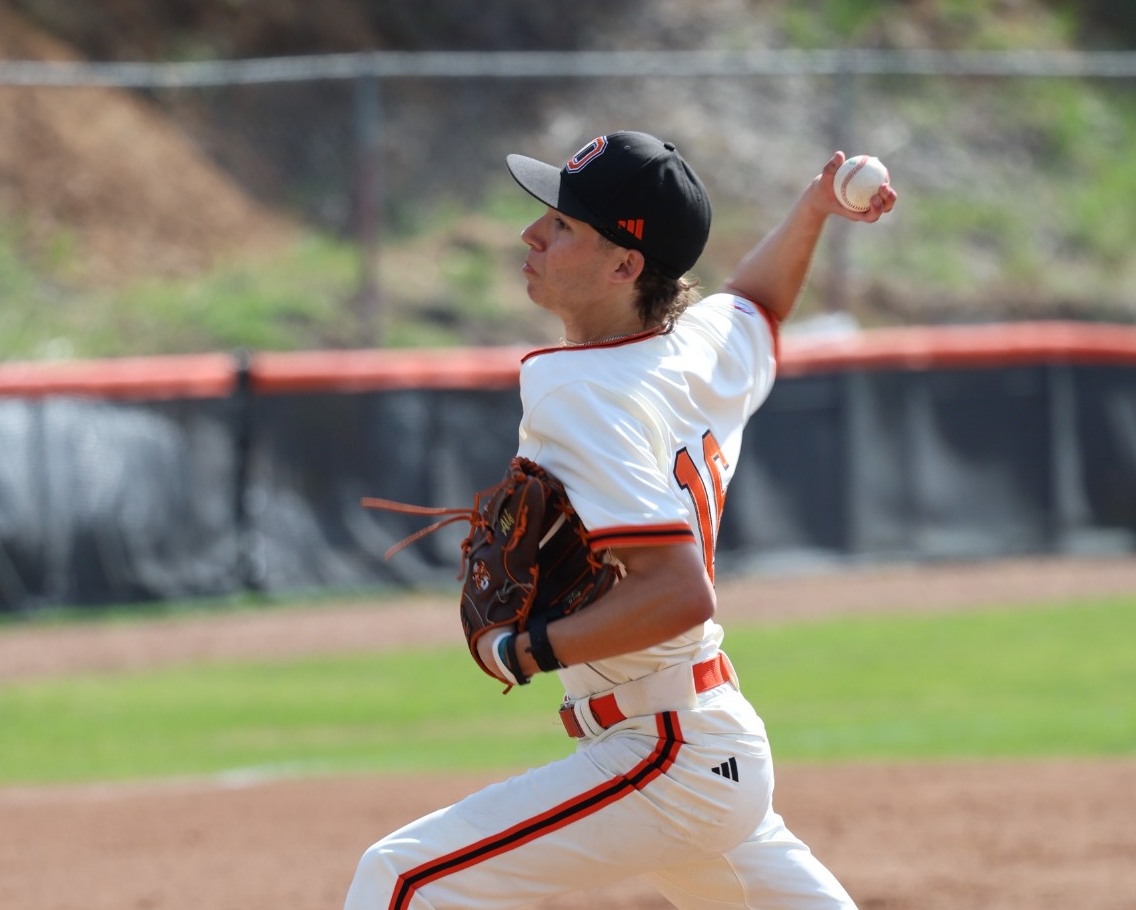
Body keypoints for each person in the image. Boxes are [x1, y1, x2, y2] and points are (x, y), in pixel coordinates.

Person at [343, 130, 896, 909]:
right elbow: (759, 304)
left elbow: (678, 593)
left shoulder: (584, 392)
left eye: (564, 225)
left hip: (666, 754)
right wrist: (812, 210)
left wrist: (524, 650)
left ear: (625, 265)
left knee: (400, 878)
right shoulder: (696, 347)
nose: (533, 234)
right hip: (702, 743)